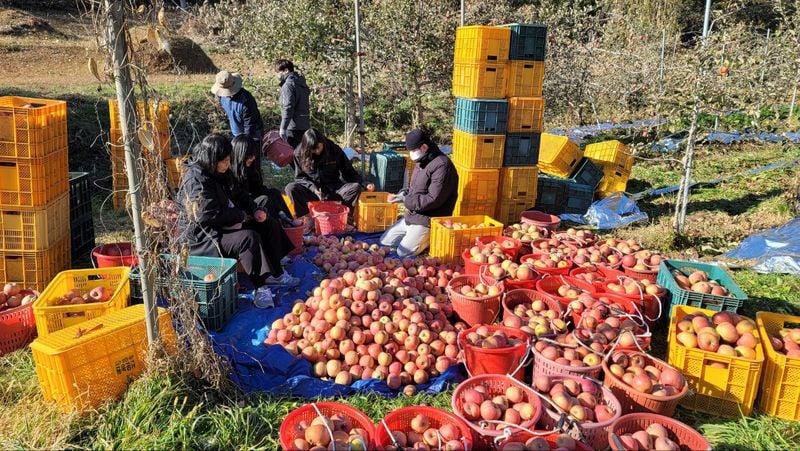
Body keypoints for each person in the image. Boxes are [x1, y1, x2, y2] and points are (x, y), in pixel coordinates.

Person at [178, 134, 273, 286]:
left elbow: (238, 193)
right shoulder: (196, 180)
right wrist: (239, 216)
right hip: (205, 237)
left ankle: (274, 271)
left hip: (222, 224)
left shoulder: (218, 171)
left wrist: (254, 209)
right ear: (212, 159)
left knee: (265, 222)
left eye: (229, 160)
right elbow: (207, 214)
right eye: (224, 161)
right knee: (248, 238)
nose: (228, 165)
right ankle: (261, 286)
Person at [380, 128, 458, 257]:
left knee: (403, 253)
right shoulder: (421, 160)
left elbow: (433, 199)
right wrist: (402, 194)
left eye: (413, 150)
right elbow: (414, 187)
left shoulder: (442, 166)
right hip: (413, 215)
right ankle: (414, 235)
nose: (411, 154)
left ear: (424, 147)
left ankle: (430, 239)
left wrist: (406, 200)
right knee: (385, 242)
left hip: (430, 219)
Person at [285, 128, 368, 231]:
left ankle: (343, 219)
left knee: (355, 187)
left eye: (319, 147)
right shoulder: (298, 153)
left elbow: (349, 172)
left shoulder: (333, 149)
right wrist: (314, 189)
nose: (317, 151)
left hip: (334, 189)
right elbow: (300, 177)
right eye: (313, 150)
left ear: (323, 143)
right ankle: (309, 219)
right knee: (291, 188)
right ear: (307, 148)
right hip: (312, 191)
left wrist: (363, 182)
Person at [230, 135, 295, 221]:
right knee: (265, 200)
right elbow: (239, 198)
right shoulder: (230, 174)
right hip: (243, 207)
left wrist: (269, 193)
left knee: (274, 193)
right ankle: (278, 225)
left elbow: (257, 187)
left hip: (251, 199)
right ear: (240, 155)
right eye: (250, 155)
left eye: (254, 155)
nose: (253, 158)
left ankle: (289, 221)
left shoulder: (249, 168)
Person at [211, 70, 265, 142]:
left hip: (252, 136)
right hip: (236, 133)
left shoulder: (246, 101)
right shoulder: (222, 97)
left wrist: (244, 142)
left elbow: (249, 127)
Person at [274, 59, 310, 148]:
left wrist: (283, 128)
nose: (277, 75)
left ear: (286, 70)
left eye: (278, 72)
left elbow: (288, 107)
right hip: (304, 124)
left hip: (292, 128)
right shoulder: (301, 83)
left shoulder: (288, 85)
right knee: (303, 152)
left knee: (294, 153)